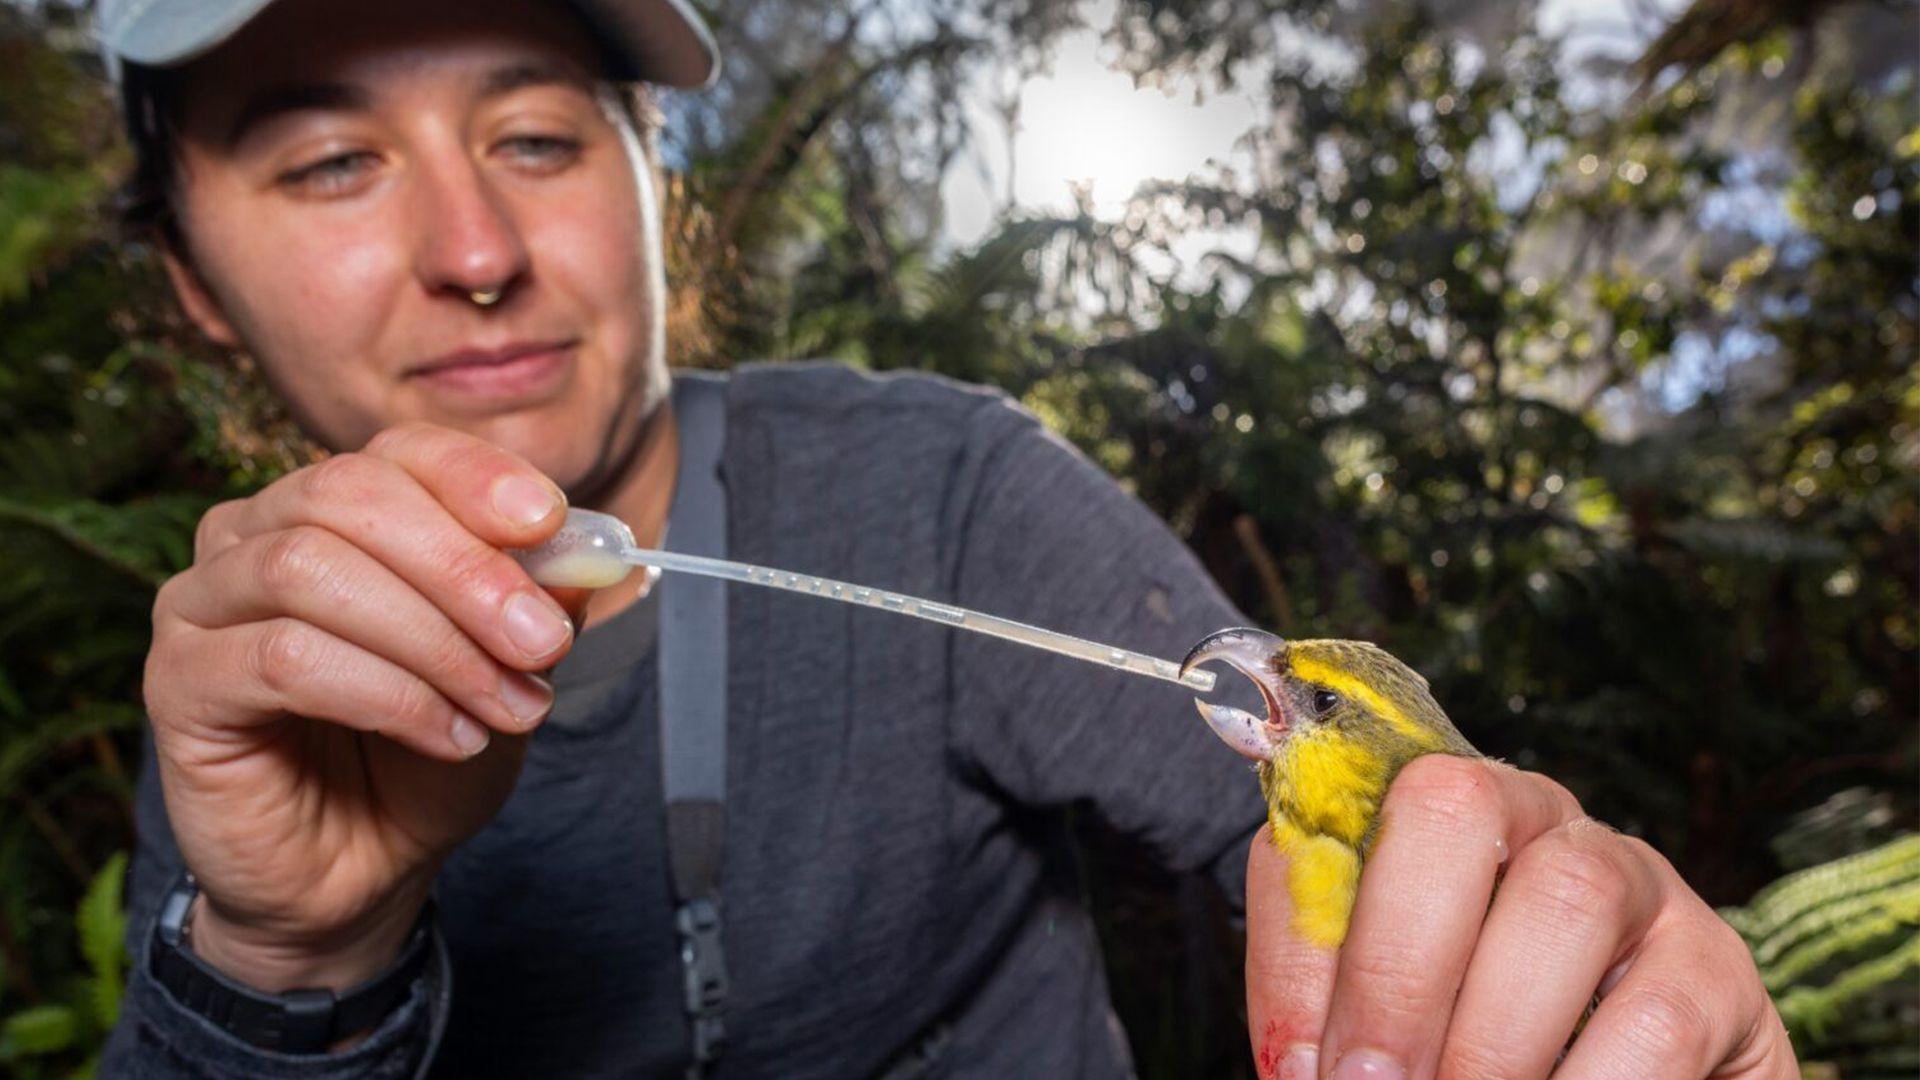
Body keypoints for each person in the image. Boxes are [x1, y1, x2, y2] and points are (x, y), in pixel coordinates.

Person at [94, 0, 1796, 1077]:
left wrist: (1585, 983)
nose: (474, 247)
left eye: (537, 136)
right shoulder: (251, 688)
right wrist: (280, 965)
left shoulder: (943, 500)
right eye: (327, 162)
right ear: (191, 285)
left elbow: (1375, 843)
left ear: (652, 185)